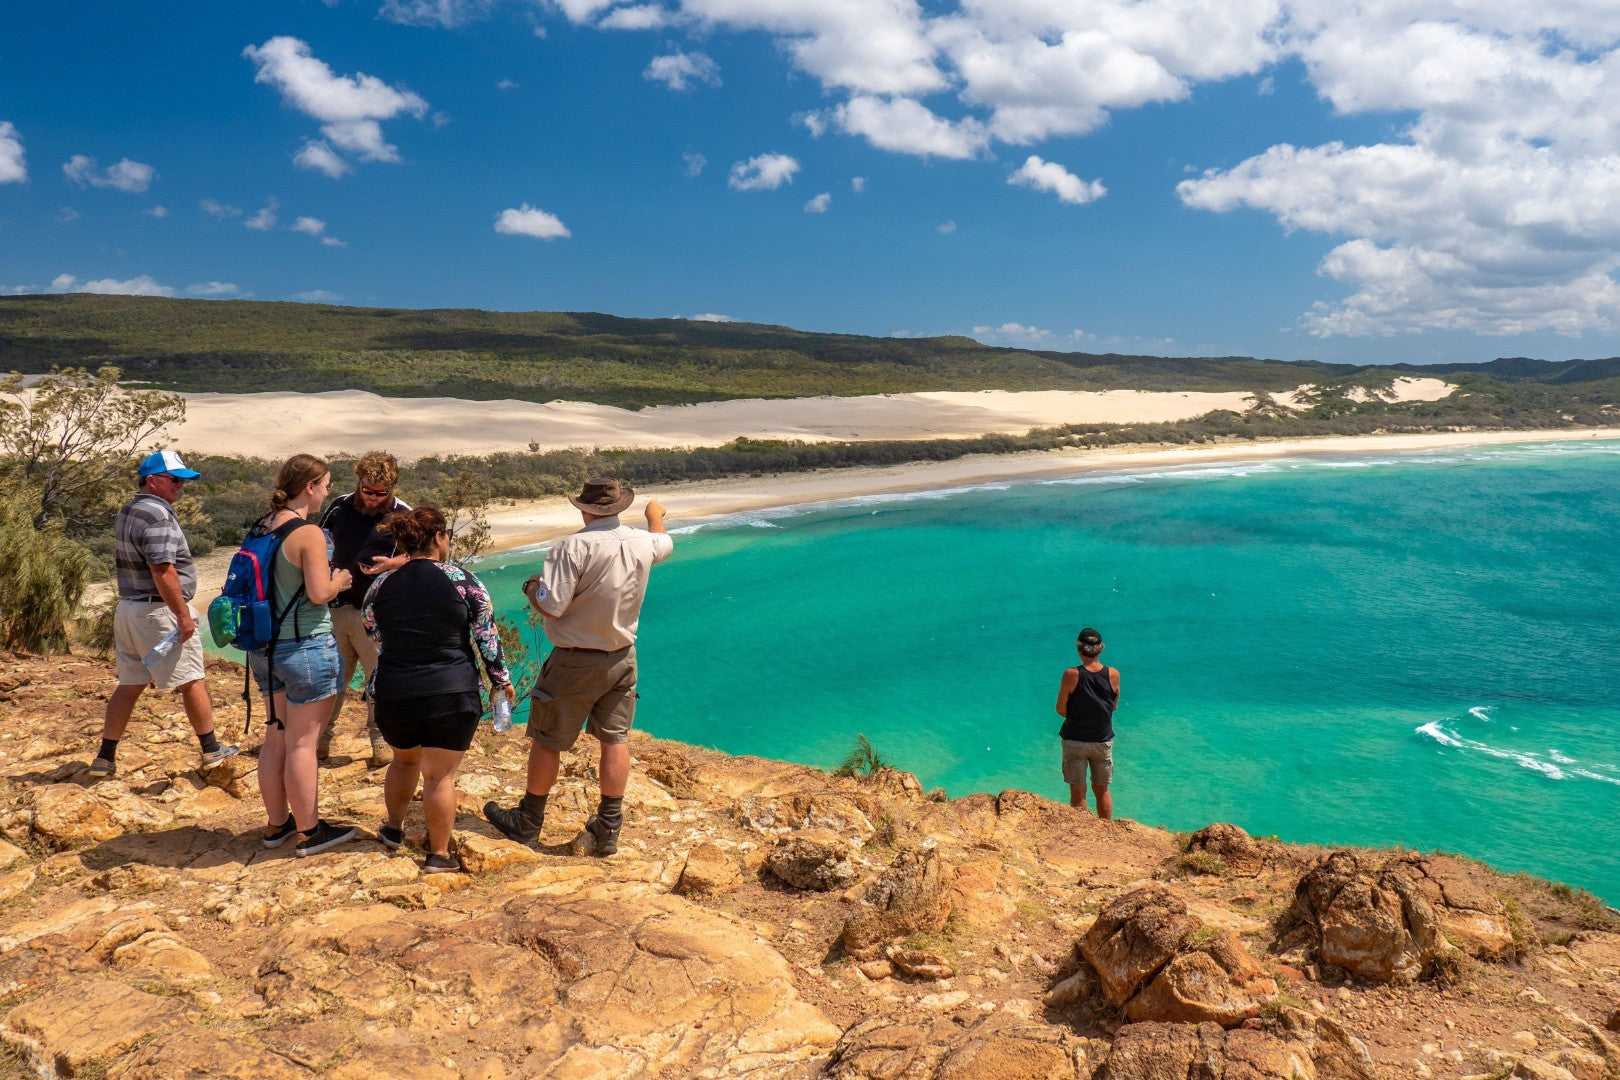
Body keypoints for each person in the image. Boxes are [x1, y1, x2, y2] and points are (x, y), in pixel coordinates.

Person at [484, 478, 672, 856]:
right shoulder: (641, 542)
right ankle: (608, 826)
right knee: (614, 739)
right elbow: (663, 542)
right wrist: (655, 516)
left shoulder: (571, 547)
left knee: (547, 739)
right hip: (622, 656)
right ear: (618, 508)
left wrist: (531, 588)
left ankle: (528, 820)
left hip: (574, 659)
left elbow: (552, 605)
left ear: (584, 509)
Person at [363, 506, 514, 873]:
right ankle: (439, 854)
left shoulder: (380, 585)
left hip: (394, 692)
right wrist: (500, 681)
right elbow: (487, 636)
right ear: (440, 538)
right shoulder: (464, 582)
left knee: (403, 761)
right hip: (451, 691)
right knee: (439, 777)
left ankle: (393, 830)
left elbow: (373, 630)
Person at [90, 450, 241, 777]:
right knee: (192, 680)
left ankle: (105, 757)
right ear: (153, 480)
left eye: (182, 481)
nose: (180, 487)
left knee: (130, 684)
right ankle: (212, 750)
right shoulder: (157, 515)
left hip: (128, 609)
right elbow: (162, 570)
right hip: (158, 613)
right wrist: (183, 617)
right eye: (175, 480)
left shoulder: (129, 510)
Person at [248, 454, 359, 857]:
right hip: (306, 646)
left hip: (265, 647)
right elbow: (318, 593)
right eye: (326, 484)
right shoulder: (308, 533)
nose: (328, 491)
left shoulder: (262, 526)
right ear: (310, 487)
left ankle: (278, 825)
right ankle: (311, 831)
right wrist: (340, 580)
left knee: (276, 735)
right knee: (303, 743)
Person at [318, 451, 410, 767]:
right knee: (331, 679)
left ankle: (379, 742)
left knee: (377, 681)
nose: (372, 499)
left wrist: (395, 563)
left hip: (377, 614)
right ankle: (319, 741)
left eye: (379, 493)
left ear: (392, 487)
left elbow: (428, 556)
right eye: (366, 491)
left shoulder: (403, 515)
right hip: (334, 609)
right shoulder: (339, 507)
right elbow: (319, 542)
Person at [1056, 627, 1120, 819]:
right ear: (1101, 648)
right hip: (1102, 740)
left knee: (1078, 792)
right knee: (1102, 791)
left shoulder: (1071, 674)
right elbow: (1113, 706)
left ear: (1078, 648)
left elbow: (1060, 709)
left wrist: (1079, 715)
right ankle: (1106, 834)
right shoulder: (1113, 674)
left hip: (1075, 740)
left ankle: (1083, 837)